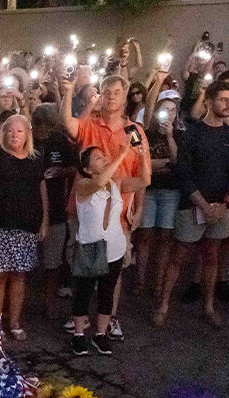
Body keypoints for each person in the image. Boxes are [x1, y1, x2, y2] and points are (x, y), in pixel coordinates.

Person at [62, 74, 149, 340]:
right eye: (107, 91)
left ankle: (108, 319)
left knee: (114, 268)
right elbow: (67, 122)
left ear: (125, 97)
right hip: (85, 210)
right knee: (83, 266)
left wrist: (140, 207)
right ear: (101, 93)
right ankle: (81, 317)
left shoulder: (135, 131)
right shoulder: (89, 124)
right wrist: (69, 90)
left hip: (118, 209)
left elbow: (140, 172)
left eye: (117, 92)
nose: (111, 96)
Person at [155, 79, 229, 328]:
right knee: (179, 256)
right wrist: (203, 204)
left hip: (221, 207)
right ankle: (163, 304)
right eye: (223, 99)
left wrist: (225, 203)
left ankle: (208, 306)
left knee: (212, 257)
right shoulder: (192, 133)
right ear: (208, 101)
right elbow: (184, 173)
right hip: (192, 205)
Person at [0, 92, 47, 340]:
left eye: (20, 130)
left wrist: (44, 218)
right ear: (4, 134)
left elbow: (41, 188)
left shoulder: (35, 160)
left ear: (28, 134)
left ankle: (15, 321)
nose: (15, 134)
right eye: (10, 130)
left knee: (19, 275)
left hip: (26, 225)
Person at [70, 140, 146, 356]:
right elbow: (98, 182)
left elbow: (144, 181)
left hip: (113, 247)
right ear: (86, 169)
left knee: (107, 292)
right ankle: (78, 334)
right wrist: (121, 155)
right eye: (98, 158)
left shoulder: (116, 183)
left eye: (104, 156)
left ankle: (100, 334)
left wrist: (142, 156)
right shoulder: (83, 184)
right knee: (83, 292)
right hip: (90, 247)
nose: (104, 159)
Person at [33, 103, 78, 317]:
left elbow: (76, 167)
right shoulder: (28, 139)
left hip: (56, 208)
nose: (43, 130)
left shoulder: (60, 142)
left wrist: (61, 171)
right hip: (28, 209)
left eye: (47, 126)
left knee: (52, 263)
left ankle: (49, 303)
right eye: (39, 125)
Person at [135, 96, 181, 296]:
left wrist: (170, 137)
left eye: (173, 111)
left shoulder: (179, 135)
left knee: (164, 237)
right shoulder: (145, 133)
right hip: (148, 190)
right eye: (165, 110)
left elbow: (178, 162)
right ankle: (140, 279)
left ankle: (159, 282)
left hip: (170, 191)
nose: (169, 114)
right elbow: (139, 162)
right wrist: (164, 164)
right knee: (144, 235)